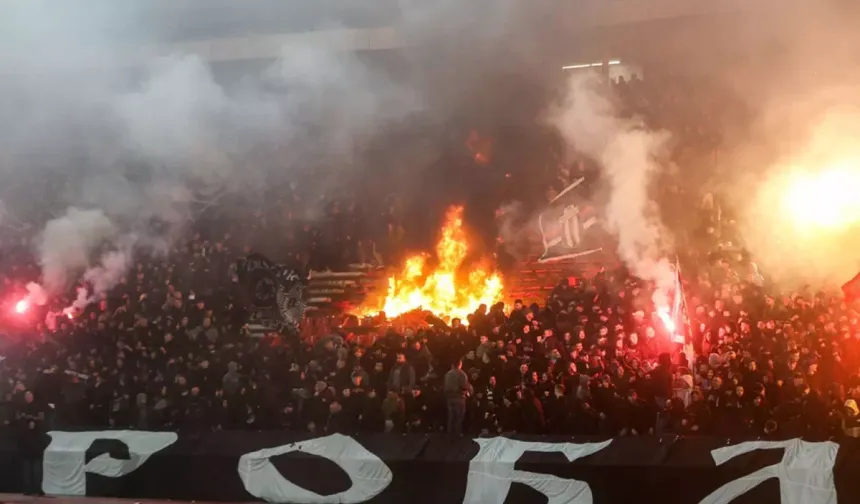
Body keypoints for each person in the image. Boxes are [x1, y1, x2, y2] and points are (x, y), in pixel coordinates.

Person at [444, 358, 472, 435]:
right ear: (460, 364)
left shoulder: (447, 374)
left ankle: (450, 435)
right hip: (459, 398)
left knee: (451, 418)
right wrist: (469, 391)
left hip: (449, 399)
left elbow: (445, 387)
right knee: (459, 418)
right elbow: (465, 386)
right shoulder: (462, 374)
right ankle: (457, 436)